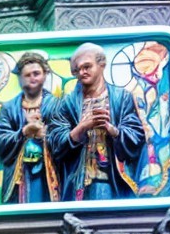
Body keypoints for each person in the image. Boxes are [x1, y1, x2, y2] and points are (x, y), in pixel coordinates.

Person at [45, 42, 145, 201]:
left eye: (87, 67)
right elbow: (55, 143)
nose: (82, 72)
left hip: (113, 180)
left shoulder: (122, 98)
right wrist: (82, 127)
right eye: (77, 70)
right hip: (79, 182)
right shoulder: (68, 103)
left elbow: (137, 136)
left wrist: (112, 130)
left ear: (102, 64)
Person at [0, 51, 60, 204]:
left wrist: (45, 137)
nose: (32, 78)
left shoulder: (56, 105)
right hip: (18, 175)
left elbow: (66, 139)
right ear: (20, 78)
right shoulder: (9, 108)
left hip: (47, 174)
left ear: (45, 75)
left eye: (36, 73)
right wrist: (23, 132)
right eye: (27, 75)